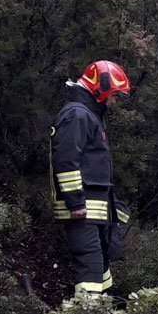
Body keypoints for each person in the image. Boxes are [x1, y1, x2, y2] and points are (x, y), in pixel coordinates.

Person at [49, 60, 131, 296]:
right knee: (90, 270)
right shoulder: (76, 115)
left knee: (100, 269)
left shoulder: (87, 115)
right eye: (113, 95)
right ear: (99, 89)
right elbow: (65, 161)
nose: (113, 101)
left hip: (92, 212)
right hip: (81, 211)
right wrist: (75, 202)